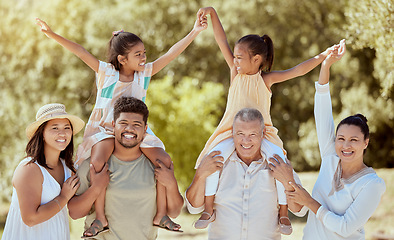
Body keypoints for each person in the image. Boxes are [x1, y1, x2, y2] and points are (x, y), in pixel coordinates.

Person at [35, 13, 206, 237]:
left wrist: (194, 31)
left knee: (163, 159)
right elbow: (79, 51)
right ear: (122, 59)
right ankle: (100, 218)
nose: (144, 57)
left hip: (134, 129)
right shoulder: (106, 72)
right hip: (105, 128)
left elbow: (171, 54)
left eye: (144, 53)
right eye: (138, 54)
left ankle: (161, 214)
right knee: (98, 161)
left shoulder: (144, 74)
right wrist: (51, 34)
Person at [193, 6, 339, 234]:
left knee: (278, 162)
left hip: (264, 134)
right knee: (213, 159)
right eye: (235, 56)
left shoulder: (266, 80)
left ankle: (283, 214)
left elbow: (298, 70)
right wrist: (212, 12)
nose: (235, 60)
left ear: (257, 59)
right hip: (229, 132)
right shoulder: (235, 72)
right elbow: (221, 40)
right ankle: (208, 209)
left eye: (240, 57)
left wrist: (324, 56)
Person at [269, 40, 386, 239]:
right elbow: (322, 111)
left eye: (354, 140)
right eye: (340, 138)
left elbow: (344, 227)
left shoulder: (372, 184)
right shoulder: (331, 155)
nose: (345, 145)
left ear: (366, 142)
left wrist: (309, 201)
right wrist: (325, 66)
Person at [67, 96, 184, 240]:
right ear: (113, 125)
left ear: (145, 128)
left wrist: (171, 184)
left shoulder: (156, 166)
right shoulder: (93, 166)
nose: (129, 129)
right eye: (123, 123)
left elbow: (175, 212)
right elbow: (74, 213)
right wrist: (96, 188)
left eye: (136, 124)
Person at [186, 107, 303, 240]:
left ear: (263, 133)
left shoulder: (278, 163)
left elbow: (299, 210)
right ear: (232, 133)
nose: (246, 141)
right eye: (240, 133)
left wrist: (288, 181)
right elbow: (193, 207)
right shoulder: (217, 162)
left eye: (252, 134)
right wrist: (200, 174)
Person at [1, 103, 85, 240]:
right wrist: (63, 197)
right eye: (55, 128)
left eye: (66, 128)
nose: (62, 133)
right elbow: (30, 219)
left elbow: (76, 210)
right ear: (42, 134)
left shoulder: (68, 168)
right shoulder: (29, 169)